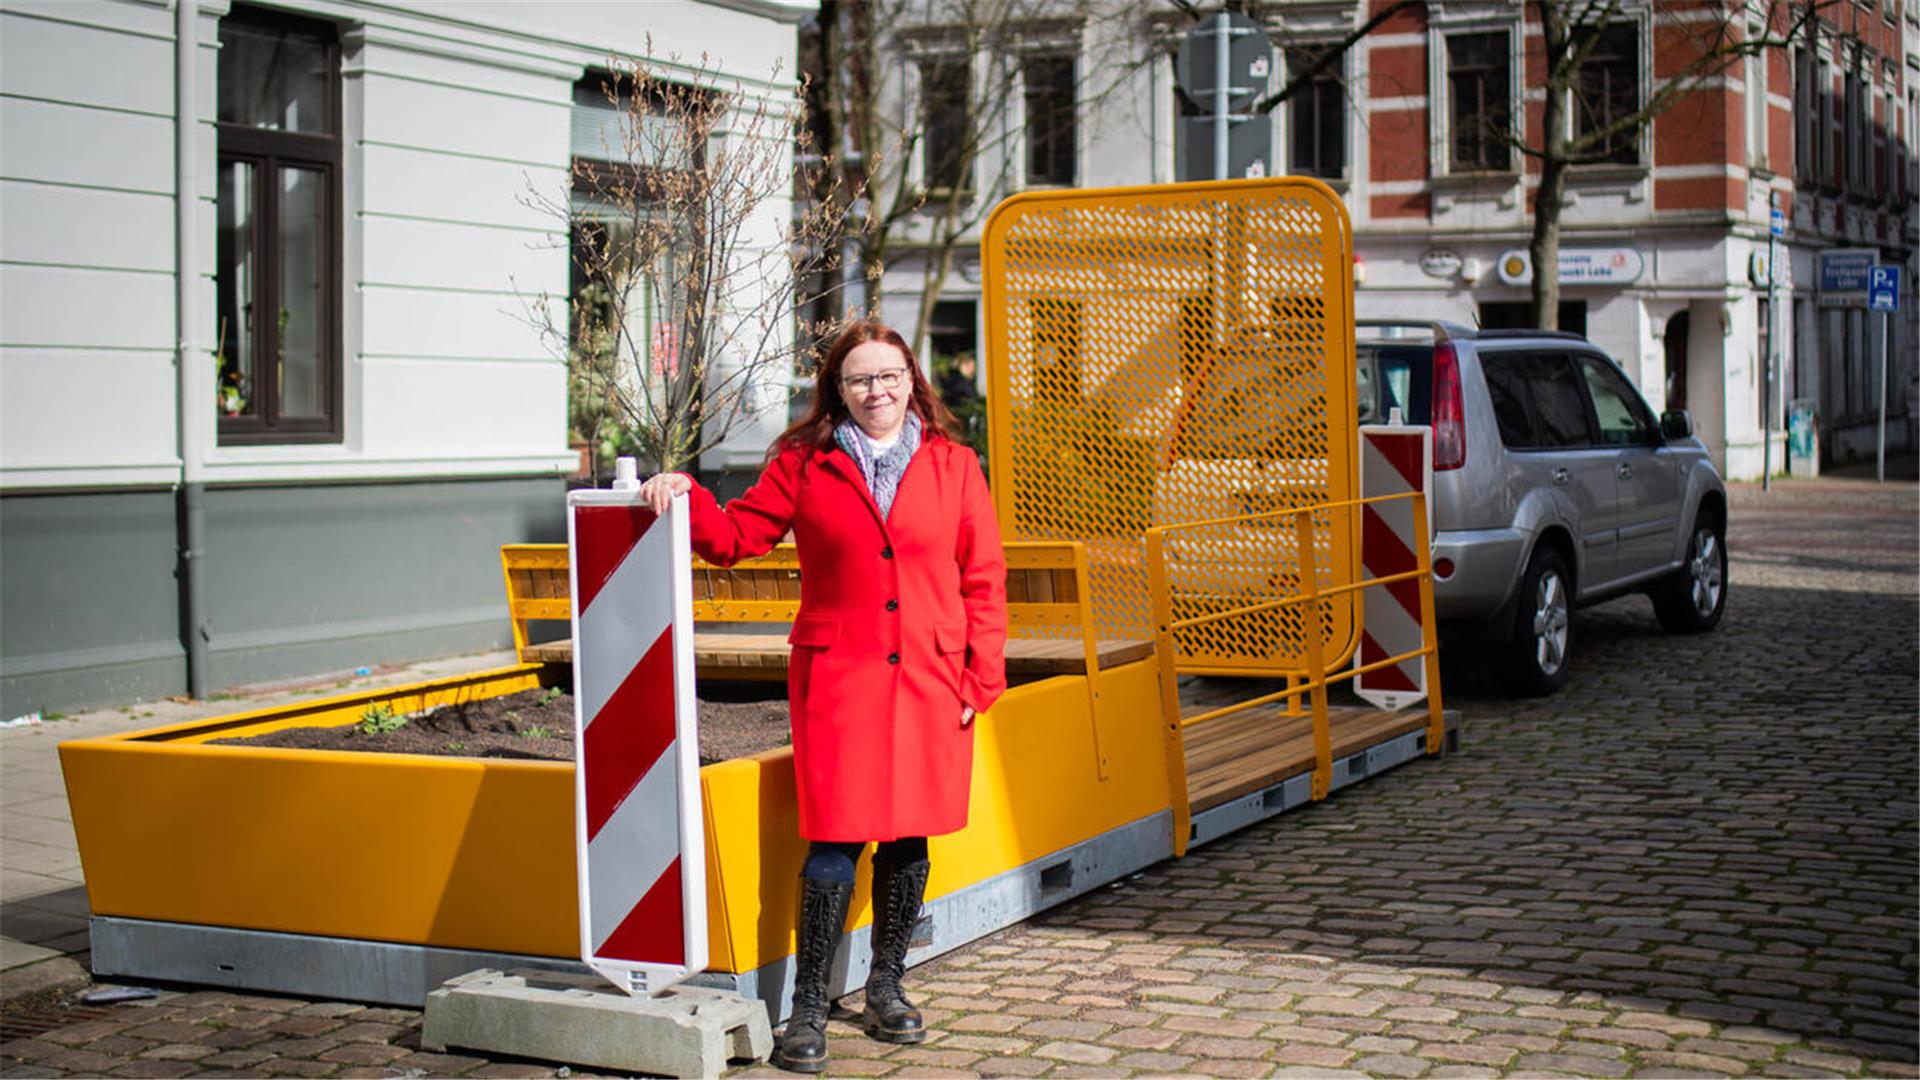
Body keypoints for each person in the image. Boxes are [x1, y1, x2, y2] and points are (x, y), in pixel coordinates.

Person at [638, 320, 1008, 1075]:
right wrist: (687, 495)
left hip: (934, 677)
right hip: (841, 675)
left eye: (890, 375)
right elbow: (740, 535)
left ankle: (887, 987)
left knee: (909, 837)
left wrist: (982, 677)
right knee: (835, 840)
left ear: (913, 380)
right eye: (861, 379)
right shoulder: (805, 462)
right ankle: (808, 1008)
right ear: (837, 391)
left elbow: (984, 578)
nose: (878, 390)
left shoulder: (955, 465)